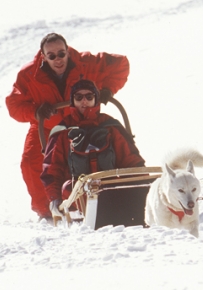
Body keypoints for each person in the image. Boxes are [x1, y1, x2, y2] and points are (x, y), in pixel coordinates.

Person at [5, 32, 130, 220]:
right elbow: (14, 105)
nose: (58, 59)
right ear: (43, 56)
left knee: (102, 151)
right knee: (32, 162)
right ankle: (48, 212)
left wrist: (107, 90)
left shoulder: (86, 63)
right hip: (48, 127)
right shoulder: (29, 74)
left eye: (61, 54)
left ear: (68, 51)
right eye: (51, 56)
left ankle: (112, 198)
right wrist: (36, 112)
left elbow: (121, 64)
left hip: (84, 121)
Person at [41, 79, 145, 218]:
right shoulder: (62, 131)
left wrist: (141, 190)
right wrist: (54, 198)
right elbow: (52, 169)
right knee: (68, 187)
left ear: (96, 99)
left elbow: (131, 161)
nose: (84, 101)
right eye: (78, 97)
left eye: (89, 97)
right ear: (73, 100)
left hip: (110, 189)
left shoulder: (110, 126)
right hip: (76, 194)